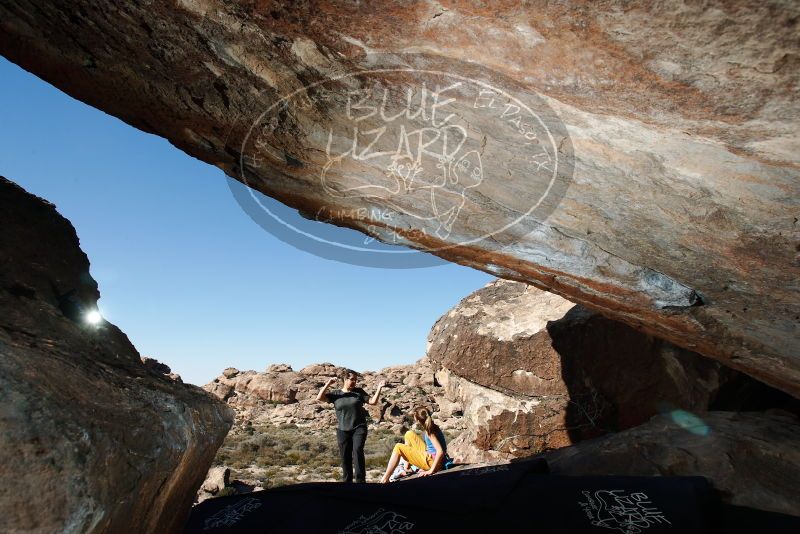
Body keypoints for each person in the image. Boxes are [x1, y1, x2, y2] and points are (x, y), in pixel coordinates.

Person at [317, 369, 385, 483]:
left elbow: (373, 402)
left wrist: (379, 388)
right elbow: (319, 398)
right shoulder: (336, 394)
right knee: (345, 456)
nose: (354, 382)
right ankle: (347, 483)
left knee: (357, 451)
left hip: (359, 427)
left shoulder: (359, 392)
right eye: (351, 379)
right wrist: (328, 384)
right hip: (343, 429)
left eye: (355, 380)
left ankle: (360, 482)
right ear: (345, 379)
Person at [380, 406, 450, 483]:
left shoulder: (430, 431)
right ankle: (407, 466)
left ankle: (385, 479)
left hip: (432, 462)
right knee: (409, 434)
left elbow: (440, 451)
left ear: (418, 420)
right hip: (431, 457)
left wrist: (430, 471)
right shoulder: (432, 426)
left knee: (398, 447)